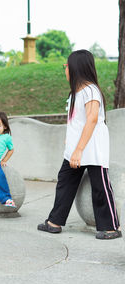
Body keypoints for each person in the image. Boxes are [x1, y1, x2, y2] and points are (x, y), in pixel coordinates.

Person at [38, 50, 121, 240]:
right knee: (65, 181)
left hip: (91, 149)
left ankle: (110, 227)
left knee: (100, 186)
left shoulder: (91, 90)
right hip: (75, 149)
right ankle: (54, 222)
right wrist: (71, 144)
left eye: (66, 66)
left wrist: (79, 149)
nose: (65, 69)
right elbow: (76, 122)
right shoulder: (76, 93)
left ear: (76, 68)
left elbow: (91, 119)